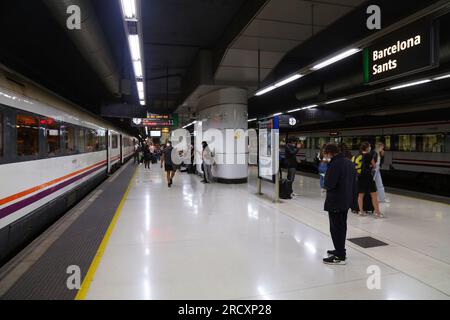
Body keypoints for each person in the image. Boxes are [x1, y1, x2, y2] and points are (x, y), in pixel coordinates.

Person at [322, 143, 357, 265]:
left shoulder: (334, 164)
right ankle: (340, 250)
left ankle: (340, 257)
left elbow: (328, 184)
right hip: (345, 201)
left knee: (336, 228)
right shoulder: (349, 163)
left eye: (325, 154)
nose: (325, 156)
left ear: (330, 153)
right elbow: (354, 183)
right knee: (341, 227)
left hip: (335, 201)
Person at [357, 142, 383, 218]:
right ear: (367, 148)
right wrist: (371, 165)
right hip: (368, 177)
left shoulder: (359, 155)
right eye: (370, 146)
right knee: (374, 195)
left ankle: (361, 211)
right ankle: (377, 213)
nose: (370, 148)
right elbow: (374, 166)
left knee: (360, 195)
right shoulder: (369, 155)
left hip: (360, 177)